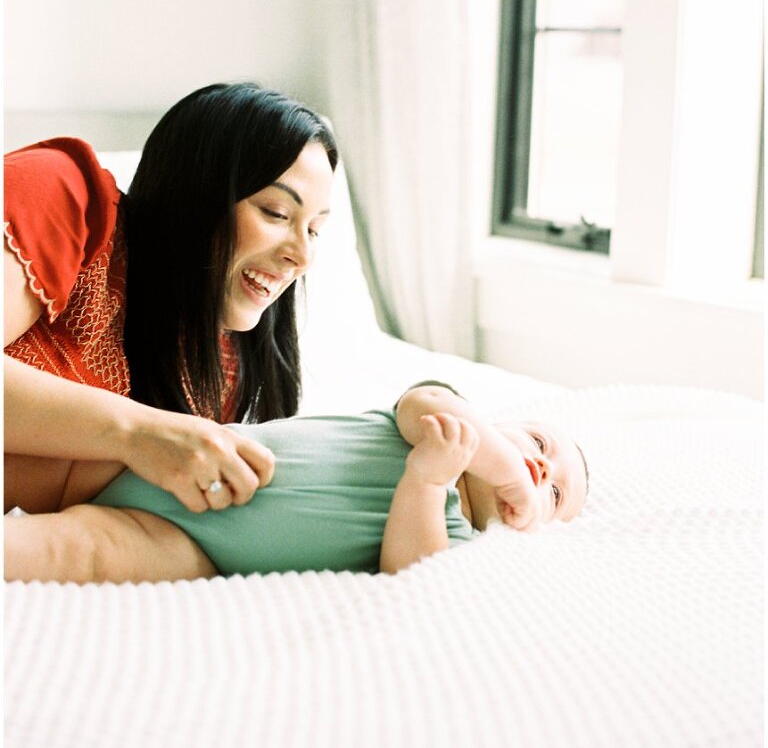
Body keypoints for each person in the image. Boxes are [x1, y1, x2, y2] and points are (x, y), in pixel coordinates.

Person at [4, 82, 338, 518]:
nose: (303, 255)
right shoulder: (60, 190)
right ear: (195, 193)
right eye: (276, 213)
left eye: (314, 229)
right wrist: (139, 433)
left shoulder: (219, 371)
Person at [4, 382, 589, 583]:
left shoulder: (455, 536)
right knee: (46, 469)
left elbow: (411, 572)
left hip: (194, 548)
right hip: (181, 460)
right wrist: (509, 471)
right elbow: (427, 402)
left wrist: (428, 482)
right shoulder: (433, 420)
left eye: (554, 494)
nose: (542, 468)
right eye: (540, 444)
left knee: (83, 555)